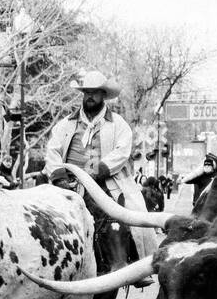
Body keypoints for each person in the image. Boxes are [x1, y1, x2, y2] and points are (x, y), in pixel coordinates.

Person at [44, 70, 159, 262]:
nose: (90, 96)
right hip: (68, 184)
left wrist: (97, 171)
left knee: (134, 216)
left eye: (94, 92)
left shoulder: (118, 124)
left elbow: (122, 151)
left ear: (103, 95)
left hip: (106, 183)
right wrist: (60, 177)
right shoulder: (66, 123)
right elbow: (52, 150)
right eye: (87, 92)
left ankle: (133, 264)